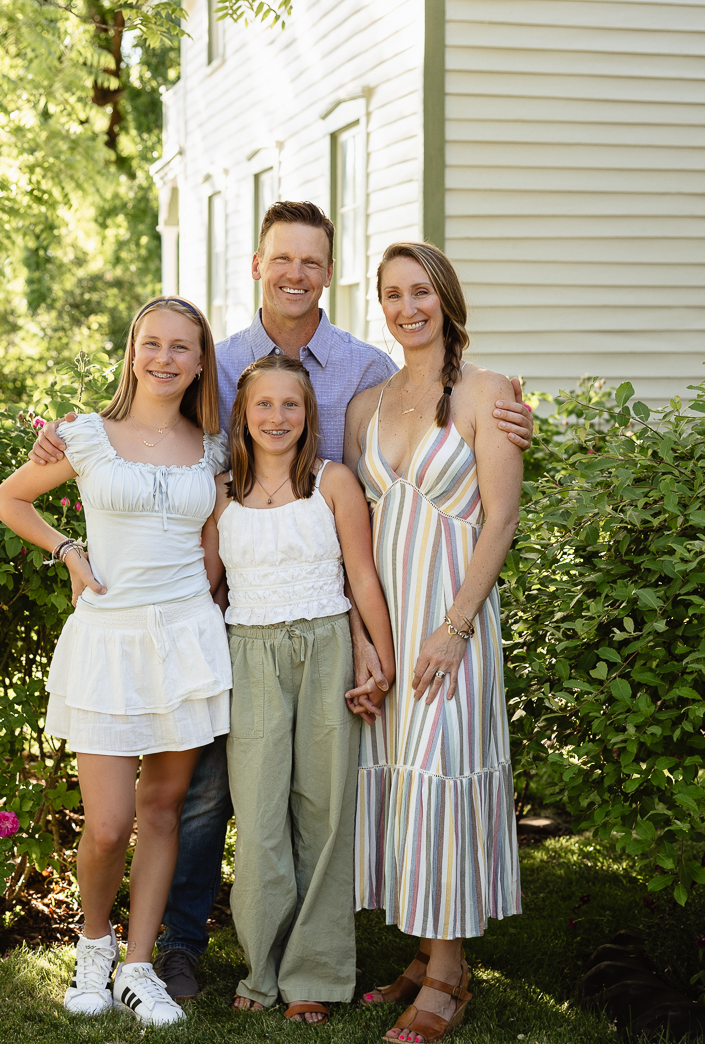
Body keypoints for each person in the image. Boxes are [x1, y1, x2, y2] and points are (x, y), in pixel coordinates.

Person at [29, 200, 536, 1001]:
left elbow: (447, 481)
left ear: (327, 274)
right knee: (205, 798)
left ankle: (390, 964)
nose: (295, 273)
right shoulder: (220, 359)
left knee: (353, 790)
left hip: (362, 605)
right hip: (237, 611)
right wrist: (69, 490)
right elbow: (147, 428)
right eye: (281, 259)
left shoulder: (367, 371)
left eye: (311, 261)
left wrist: (512, 412)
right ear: (257, 266)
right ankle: (180, 948)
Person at [0, 295, 230, 1027]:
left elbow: (214, 544)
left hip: (186, 638)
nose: (164, 358)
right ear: (132, 352)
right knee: (106, 823)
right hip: (106, 642)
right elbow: (9, 500)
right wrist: (68, 550)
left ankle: (137, 966)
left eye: (180, 348)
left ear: (198, 363)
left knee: (163, 812)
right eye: (151, 344)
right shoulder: (83, 436)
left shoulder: (214, 448)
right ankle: (92, 945)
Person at [344, 242, 523, 1044]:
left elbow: (500, 520)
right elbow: (355, 535)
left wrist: (452, 629)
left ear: (446, 300)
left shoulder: (491, 394)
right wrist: (364, 641)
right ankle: (422, 951)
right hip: (388, 622)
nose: (405, 307)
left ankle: (449, 975)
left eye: (419, 291)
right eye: (391, 294)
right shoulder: (365, 407)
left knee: (442, 773)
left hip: (452, 622)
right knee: (403, 780)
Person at [213, 354, 396, 1025]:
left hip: (327, 649)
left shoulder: (332, 482)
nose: (277, 418)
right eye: (263, 405)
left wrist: (378, 653)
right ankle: (261, 971)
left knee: (323, 814)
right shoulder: (221, 492)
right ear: (243, 412)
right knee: (259, 820)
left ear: (307, 413)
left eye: (290, 406)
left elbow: (362, 578)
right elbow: (207, 586)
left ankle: (314, 974)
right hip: (250, 656)